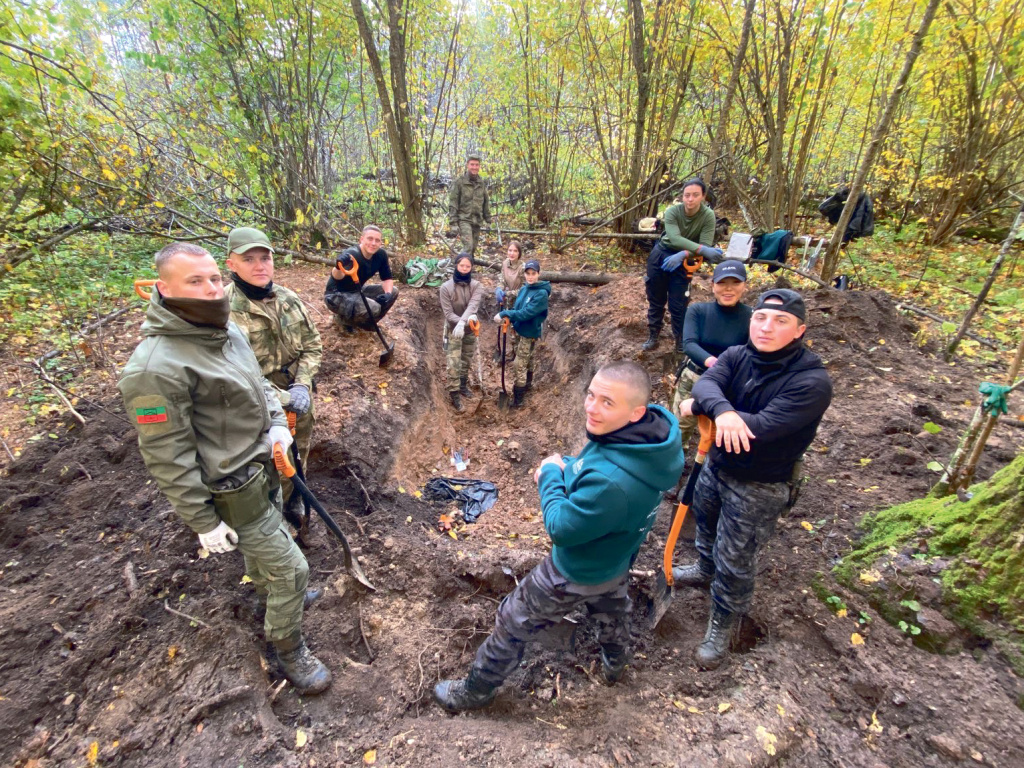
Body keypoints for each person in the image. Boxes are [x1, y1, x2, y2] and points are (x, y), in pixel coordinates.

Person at [118, 243, 331, 694]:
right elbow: (167, 457)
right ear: (163, 288)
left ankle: (270, 595)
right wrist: (202, 521)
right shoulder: (154, 369)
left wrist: (277, 427)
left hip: (265, 471)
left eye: (214, 278)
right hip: (231, 490)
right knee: (294, 569)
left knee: (271, 554)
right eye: (195, 281)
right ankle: (289, 648)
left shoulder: (226, 332)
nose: (211, 288)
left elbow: (260, 388)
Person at [433, 361, 685, 712]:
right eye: (591, 395)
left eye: (607, 402)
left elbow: (562, 527)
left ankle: (474, 692)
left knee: (512, 619)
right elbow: (597, 473)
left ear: (635, 411)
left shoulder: (612, 483)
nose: (592, 407)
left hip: (574, 571)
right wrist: (569, 465)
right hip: (615, 560)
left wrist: (551, 475)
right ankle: (615, 664)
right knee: (612, 612)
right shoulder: (649, 443)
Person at [674, 289, 832, 670]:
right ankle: (703, 568)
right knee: (706, 523)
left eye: (781, 321)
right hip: (717, 466)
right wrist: (721, 409)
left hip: (760, 483)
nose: (766, 327)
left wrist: (711, 410)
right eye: (761, 317)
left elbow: (759, 429)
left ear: (799, 331)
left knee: (737, 557)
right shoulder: (737, 355)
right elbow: (705, 384)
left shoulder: (811, 382)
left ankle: (723, 622)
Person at [224, 227, 322, 524]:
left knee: (298, 453)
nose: (259, 265)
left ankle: (295, 501)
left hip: (298, 399)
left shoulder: (288, 299)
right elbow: (231, 371)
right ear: (231, 263)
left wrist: (303, 385)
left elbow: (312, 344)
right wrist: (282, 398)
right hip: (255, 407)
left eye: (265, 258)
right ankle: (272, 520)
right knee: (269, 464)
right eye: (249, 259)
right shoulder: (222, 311)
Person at [670, 260, 751, 451]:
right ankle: (673, 464)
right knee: (680, 427)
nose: (728, 289)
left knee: (721, 433)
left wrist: (726, 372)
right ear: (713, 285)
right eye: (722, 283)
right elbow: (689, 344)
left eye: (735, 283)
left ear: (745, 286)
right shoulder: (698, 311)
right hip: (693, 377)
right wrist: (717, 364)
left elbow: (752, 352)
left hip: (729, 383)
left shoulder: (752, 317)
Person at [643, 179, 722, 353]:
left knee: (678, 303)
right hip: (662, 255)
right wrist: (700, 249)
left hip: (685, 260)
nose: (690, 199)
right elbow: (675, 238)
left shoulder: (707, 216)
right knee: (655, 298)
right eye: (687, 195)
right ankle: (653, 335)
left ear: (703, 196)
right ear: (682, 196)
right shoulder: (672, 212)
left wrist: (685, 254)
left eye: (695, 195)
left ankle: (680, 340)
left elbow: (706, 243)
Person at [494, 259, 550, 408]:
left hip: (529, 332)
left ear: (538, 274)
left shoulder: (541, 294)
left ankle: (518, 399)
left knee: (519, 364)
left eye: (533, 274)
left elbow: (526, 313)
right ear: (524, 274)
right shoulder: (525, 289)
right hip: (519, 330)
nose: (530, 277)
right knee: (528, 358)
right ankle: (527, 385)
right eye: (528, 274)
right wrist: (512, 323)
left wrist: (505, 313)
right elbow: (517, 306)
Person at [324, 225, 398, 332]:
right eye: (370, 238)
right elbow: (337, 277)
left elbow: (387, 278)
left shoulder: (381, 255)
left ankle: (368, 324)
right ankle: (343, 321)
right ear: (362, 239)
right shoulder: (352, 254)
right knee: (374, 307)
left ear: (380, 243)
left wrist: (387, 294)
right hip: (336, 296)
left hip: (357, 290)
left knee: (393, 292)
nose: (373, 243)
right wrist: (338, 266)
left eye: (377, 240)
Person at [440, 252, 484, 413]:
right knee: (453, 362)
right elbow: (448, 313)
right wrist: (458, 323)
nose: (464, 269)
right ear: (456, 266)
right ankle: (454, 393)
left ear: (471, 267)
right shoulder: (446, 288)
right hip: (453, 329)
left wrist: (463, 322)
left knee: (466, 358)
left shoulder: (477, 286)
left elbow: (473, 305)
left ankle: (463, 385)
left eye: (468, 266)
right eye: (461, 266)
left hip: (470, 328)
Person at [448, 153, 491, 256]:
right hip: (464, 220)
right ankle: (462, 270)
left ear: (479, 166)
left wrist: (488, 220)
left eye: (477, 165)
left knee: (473, 249)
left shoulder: (481, 183)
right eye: (472, 164)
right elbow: (453, 203)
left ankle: (466, 268)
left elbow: (485, 203)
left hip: (477, 220)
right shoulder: (460, 182)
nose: (474, 167)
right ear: (467, 165)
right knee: (468, 246)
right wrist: (453, 223)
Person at [493, 240, 526, 361]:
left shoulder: (523, 268)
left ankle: (518, 354)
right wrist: (499, 289)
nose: (512, 253)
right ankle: (512, 352)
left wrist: (507, 293)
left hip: (520, 301)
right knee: (508, 325)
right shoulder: (505, 263)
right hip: (508, 301)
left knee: (517, 327)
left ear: (519, 253)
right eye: (510, 250)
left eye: (515, 251)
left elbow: (524, 288)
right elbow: (502, 279)